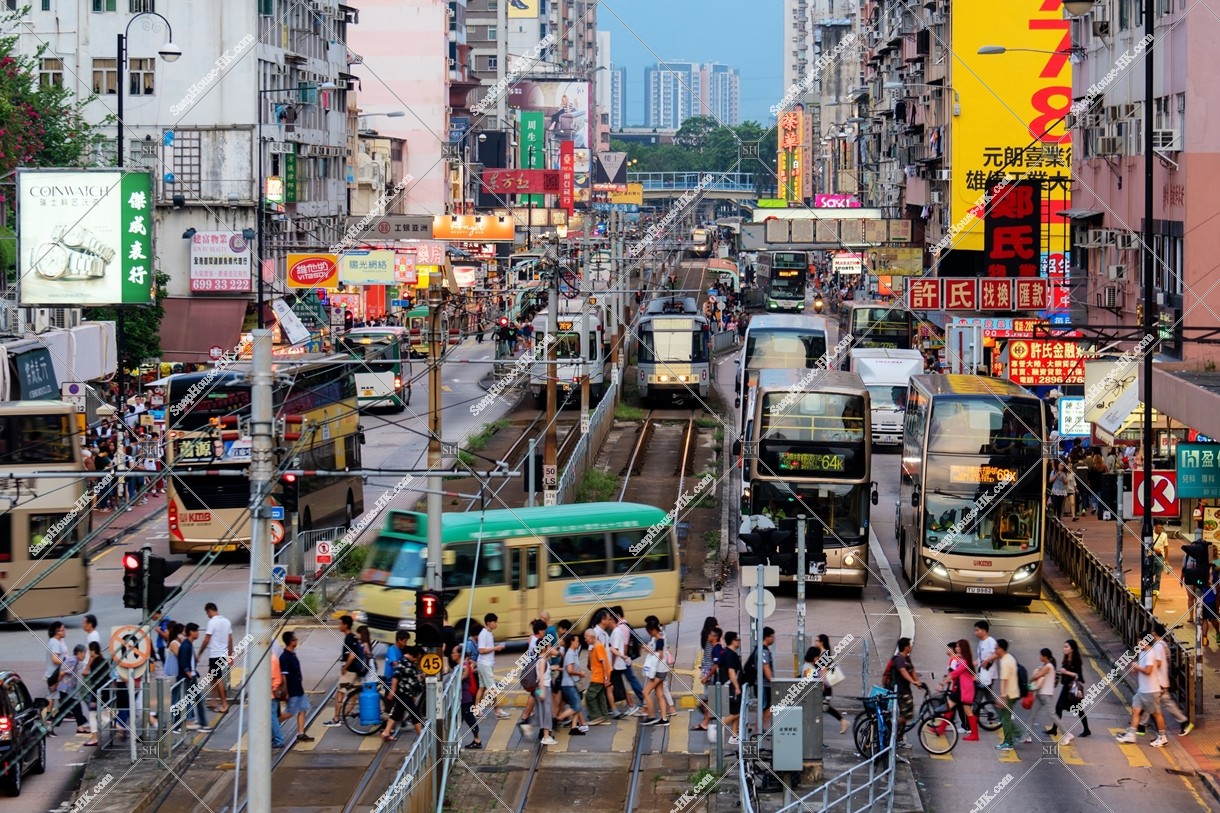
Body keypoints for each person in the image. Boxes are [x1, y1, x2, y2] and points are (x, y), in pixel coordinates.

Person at [1116, 629, 1168, 748]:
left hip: (1151, 690)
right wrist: (1136, 668)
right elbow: (1142, 669)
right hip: (1142, 690)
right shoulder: (1142, 653)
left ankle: (1162, 737)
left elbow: (1148, 671)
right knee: (1135, 710)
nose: (1138, 642)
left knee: (1156, 714)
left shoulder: (1150, 653)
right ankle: (1131, 735)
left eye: (1140, 640)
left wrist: (1137, 667)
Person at [325, 615, 367, 727]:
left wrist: (344, 667)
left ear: (345, 625)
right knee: (355, 695)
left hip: (349, 671)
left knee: (340, 694)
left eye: (340, 624)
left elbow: (352, 656)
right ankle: (345, 715)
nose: (339, 626)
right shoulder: (354, 637)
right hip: (357, 671)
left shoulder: (348, 638)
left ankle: (336, 719)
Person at [802, 645, 848, 735]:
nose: (819, 659)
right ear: (815, 658)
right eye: (818, 657)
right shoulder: (809, 669)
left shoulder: (807, 666)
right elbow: (813, 684)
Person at [1052, 639, 1091, 744]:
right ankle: (1054, 729)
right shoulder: (1066, 658)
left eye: (1066, 647)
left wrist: (1066, 672)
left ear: (1072, 649)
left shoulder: (1076, 660)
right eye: (1064, 646)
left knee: (1078, 710)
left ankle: (1086, 730)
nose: (1064, 649)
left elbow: (1077, 675)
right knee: (1058, 707)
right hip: (1066, 687)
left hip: (1073, 688)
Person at [383, 647, 425, 741]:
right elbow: (396, 677)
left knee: (397, 713)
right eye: (417, 657)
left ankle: (386, 732)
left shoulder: (410, 662)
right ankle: (421, 736)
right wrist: (392, 691)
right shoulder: (403, 662)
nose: (417, 659)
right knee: (415, 713)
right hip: (403, 693)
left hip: (408, 693)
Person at [938, 639, 976, 741]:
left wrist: (942, 683)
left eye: (959, 647)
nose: (957, 649)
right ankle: (941, 728)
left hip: (964, 690)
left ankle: (941, 728)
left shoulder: (964, 661)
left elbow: (955, 673)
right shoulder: (963, 659)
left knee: (957, 709)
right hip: (962, 690)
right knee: (957, 709)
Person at [279, 631, 313, 742]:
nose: (297, 641)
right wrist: (286, 691)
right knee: (290, 712)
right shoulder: (285, 657)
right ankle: (272, 725)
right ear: (290, 641)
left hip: (298, 688)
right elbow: (284, 676)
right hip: (292, 690)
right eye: (295, 639)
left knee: (303, 709)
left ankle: (301, 733)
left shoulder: (292, 654)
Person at [890, 637, 923, 748]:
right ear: (906, 647)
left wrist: (918, 681)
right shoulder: (899, 659)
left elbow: (912, 670)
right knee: (904, 716)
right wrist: (914, 682)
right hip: (901, 691)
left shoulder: (907, 659)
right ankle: (897, 737)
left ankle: (897, 735)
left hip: (906, 690)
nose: (911, 647)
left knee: (906, 714)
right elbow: (903, 672)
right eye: (909, 645)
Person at [178, 623, 212, 732]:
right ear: (191, 632)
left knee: (197, 699)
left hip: (191, 677)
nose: (198, 633)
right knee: (190, 699)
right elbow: (183, 661)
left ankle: (202, 723)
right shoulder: (186, 645)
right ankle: (190, 721)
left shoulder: (189, 644)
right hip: (188, 678)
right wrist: (188, 673)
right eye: (197, 631)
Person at [200, 602, 233, 714]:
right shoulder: (226, 621)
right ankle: (214, 701)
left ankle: (224, 704)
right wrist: (230, 655)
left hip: (215, 654)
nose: (207, 615)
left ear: (210, 610)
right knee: (212, 677)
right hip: (223, 654)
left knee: (218, 678)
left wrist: (199, 652)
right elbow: (230, 639)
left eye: (207, 613)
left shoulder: (212, 622)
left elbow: (206, 639)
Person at [476, 613, 510, 719]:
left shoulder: (489, 633)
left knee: (482, 688)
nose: (496, 624)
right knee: (492, 689)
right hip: (485, 664)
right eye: (494, 622)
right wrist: (495, 649)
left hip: (485, 664)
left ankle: (477, 710)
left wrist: (495, 647)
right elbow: (481, 650)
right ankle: (497, 710)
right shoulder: (484, 634)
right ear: (488, 623)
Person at [639, 620, 670, 727]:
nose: (648, 634)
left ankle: (651, 716)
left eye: (649, 632)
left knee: (645, 692)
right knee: (659, 694)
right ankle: (664, 719)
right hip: (661, 671)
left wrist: (649, 650)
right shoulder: (660, 638)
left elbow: (660, 655)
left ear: (653, 630)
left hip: (658, 672)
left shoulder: (660, 640)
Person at [559, 633, 589, 734]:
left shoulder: (573, 652)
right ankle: (557, 718)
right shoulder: (570, 653)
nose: (578, 643)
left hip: (573, 683)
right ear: (572, 642)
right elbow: (570, 670)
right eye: (577, 641)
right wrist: (580, 673)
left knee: (577, 705)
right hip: (569, 684)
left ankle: (574, 728)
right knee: (576, 707)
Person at [453, 643, 482, 749]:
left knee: (469, 718)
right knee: (458, 719)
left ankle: (477, 740)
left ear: (459, 654)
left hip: (465, 698)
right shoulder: (463, 664)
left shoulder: (463, 666)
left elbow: (462, 677)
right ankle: (454, 741)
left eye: (454, 653)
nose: (452, 655)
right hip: (463, 697)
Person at [582, 627, 613, 725]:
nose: (585, 640)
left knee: (589, 696)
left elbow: (603, 662)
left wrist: (606, 678)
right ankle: (605, 717)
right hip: (599, 675)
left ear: (591, 637)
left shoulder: (598, 646)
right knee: (600, 696)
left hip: (598, 677)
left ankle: (597, 716)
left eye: (586, 638)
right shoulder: (595, 646)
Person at [993, 639, 1020, 751]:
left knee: (1005, 719)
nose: (995, 650)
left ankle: (1008, 742)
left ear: (1001, 649)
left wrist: (1002, 696)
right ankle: (1016, 735)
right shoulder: (1010, 658)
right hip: (1013, 692)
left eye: (996, 648)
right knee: (1006, 717)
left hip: (1008, 694)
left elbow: (1004, 680)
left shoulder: (1004, 661)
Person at [719, 632, 744, 746]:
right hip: (731, 688)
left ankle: (734, 736)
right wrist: (737, 687)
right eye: (738, 639)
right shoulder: (729, 654)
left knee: (736, 711)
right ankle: (719, 725)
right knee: (738, 711)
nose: (739, 641)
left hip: (731, 687)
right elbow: (731, 672)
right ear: (733, 641)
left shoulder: (730, 653)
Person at [695, 627, 723, 731]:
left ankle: (706, 722)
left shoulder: (716, 648)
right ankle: (705, 721)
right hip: (714, 678)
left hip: (714, 679)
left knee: (709, 700)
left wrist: (706, 676)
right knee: (708, 700)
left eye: (710, 634)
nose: (708, 636)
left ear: (715, 637)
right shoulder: (715, 647)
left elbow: (716, 665)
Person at [1028, 648, 1058, 742]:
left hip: (1045, 695)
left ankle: (1067, 734)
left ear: (1045, 657)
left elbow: (1036, 676)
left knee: (1052, 716)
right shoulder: (1046, 666)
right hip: (1041, 694)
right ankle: (1026, 736)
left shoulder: (1048, 666)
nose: (1040, 657)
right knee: (1032, 715)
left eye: (1041, 655)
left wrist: (1031, 679)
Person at [44, 621, 69, 725]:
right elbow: (55, 659)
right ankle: (48, 720)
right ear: (57, 631)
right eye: (62, 630)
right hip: (54, 674)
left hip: (56, 674)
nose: (64, 631)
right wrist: (67, 663)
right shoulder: (54, 642)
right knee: (52, 696)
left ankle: (63, 714)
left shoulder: (56, 641)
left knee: (57, 695)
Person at [974, 620, 998, 703]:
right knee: (989, 697)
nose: (975, 633)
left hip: (989, 673)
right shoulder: (981, 642)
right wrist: (972, 664)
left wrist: (987, 661)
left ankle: (974, 714)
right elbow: (980, 658)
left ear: (984, 631)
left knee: (978, 697)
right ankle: (1002, 712)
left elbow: (997, 654)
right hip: (983, 673)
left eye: (977, 630)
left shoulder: (991, 641)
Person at [1150, 522, 1169, 597]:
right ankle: (1150, 589)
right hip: (1151, 556)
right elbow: (1146, 544)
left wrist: (1166, 559)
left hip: (1160, 557)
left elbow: (1166, 547)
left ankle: (1156, 591)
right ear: (1155, 527)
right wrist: (1154, 549)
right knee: (1151, 573)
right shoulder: (1150, 534)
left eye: (1161, 527)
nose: (1160, 529)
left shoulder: (1164, 535)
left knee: (1158, 576)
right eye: (1158, 527)